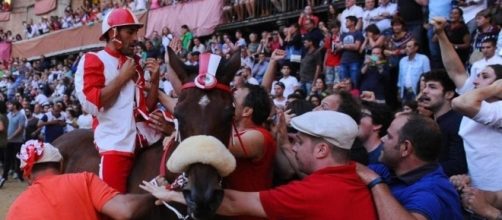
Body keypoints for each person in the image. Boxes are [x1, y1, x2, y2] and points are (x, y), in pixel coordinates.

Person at [141, 111, 377, 220]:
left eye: (300, 142)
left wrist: (172, 195)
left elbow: (234, 203)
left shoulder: (316, 191)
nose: (294, 148)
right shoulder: (355, 177)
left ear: (322, 150)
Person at [74, 8, 160, 193]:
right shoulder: (93, 59)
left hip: (142, 132)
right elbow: (92, 104)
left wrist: (154, 82)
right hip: (115, 139)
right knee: (113, 200)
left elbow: (147, 108)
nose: (136, 38)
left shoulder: (134, 63)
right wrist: (121, 78)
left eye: (136, 32)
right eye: (130, 32)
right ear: (113, 33)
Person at [433, 16, 502, 191]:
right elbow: (455, 71)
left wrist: (493, 89)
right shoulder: (477, 96)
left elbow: (460, 103)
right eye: (477, 75)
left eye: (484, 76)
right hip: (476, 191)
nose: (476, 80)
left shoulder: (498, 108)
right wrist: (441, 34)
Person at [6, 140, 155, 220]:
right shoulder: (84, 180)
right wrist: (154, 194)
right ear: (61, 164)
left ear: (27, 176)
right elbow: (125, 211)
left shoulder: (16, 209)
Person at [356, 113, 463, 220]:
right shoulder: (390, 169)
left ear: (405, 148)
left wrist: (377, 184)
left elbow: (371, 178)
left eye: (389, 136)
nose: (383, 139)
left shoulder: (431, 192)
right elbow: (353, 169)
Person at [225, 83, 276, 220]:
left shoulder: (259, 136)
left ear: (246, 111)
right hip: (230, 210)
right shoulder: (234, 131)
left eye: (234, 98)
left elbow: (215, 145)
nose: (228, 100)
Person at [420, 70, 467, 177]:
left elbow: (457, 165)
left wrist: (420, 170)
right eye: (425, 86)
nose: (424, 91)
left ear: (449, 94)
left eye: (432, 87)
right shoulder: (432, 121)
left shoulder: (457, 123)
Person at [1, 101, 26, 186]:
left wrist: (10, 137)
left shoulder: (21, 115)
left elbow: (20, 129)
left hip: (17, 141)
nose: (8, 106)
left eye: (10, 104)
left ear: (15, 106)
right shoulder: (8, 115)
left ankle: (19, 175)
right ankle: (4, 176)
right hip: (8, 141)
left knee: (18, 159)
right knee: (7, 159)